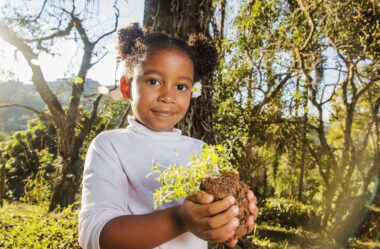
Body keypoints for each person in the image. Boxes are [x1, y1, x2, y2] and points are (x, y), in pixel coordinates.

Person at [78, 23, 259, 249]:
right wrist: (180, 219)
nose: (168, 96)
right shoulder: (110, 145)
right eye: (154, 81)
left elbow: (209, 217)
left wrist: (231, 218)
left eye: (181, 87)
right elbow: (95, 236)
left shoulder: (201, 151)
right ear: (126, 87)